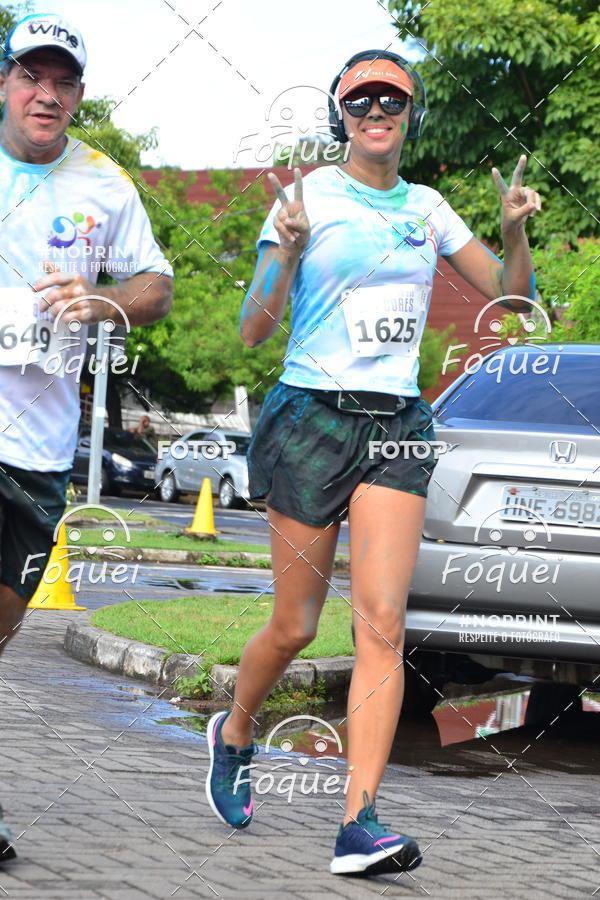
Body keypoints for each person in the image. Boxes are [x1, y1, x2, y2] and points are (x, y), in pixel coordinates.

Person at [205, 50, 541, 877]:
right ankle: (235, 730)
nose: (377, 112)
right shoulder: (306, 198)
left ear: (410, 114)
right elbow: (252, 328)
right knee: (295, 626)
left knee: (383, 630)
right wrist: (282, 252)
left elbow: (513, 302)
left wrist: (513, 233)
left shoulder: (427, 207)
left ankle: (359, 823)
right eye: (361, 102)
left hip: (395, 424)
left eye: (392, 99)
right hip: (309, 416)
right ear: (340, 118)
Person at [0, 13, 173, 862]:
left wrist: (105, 302)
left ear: (78, 95)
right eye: (32, 76)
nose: (47, 94)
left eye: (63, 82)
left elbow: (157, 284)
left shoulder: (105, 183)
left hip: (38, 445)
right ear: (5, 83)